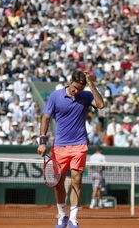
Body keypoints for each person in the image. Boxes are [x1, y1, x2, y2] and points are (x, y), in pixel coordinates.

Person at [37, 71, 105, 228]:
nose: (77, 92)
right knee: (58, 182)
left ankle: (74, 219)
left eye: (80, 89)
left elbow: (101, 105)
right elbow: (45, 117)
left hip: (79, 144)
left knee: (77, 179)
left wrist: (90, 84)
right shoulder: (56, 96)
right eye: (75, 88)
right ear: (70, 82)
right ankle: (62, 215)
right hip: (60, 146)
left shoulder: (86, 95)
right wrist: (42, 141)